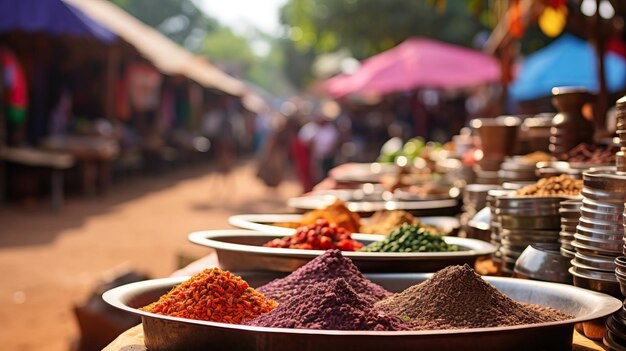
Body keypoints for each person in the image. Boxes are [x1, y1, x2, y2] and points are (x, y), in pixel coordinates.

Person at [299, 112, 340, 184]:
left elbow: (335, 142)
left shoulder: (330, 128)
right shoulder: (310, 128)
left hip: (328, 156)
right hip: (314, 157)